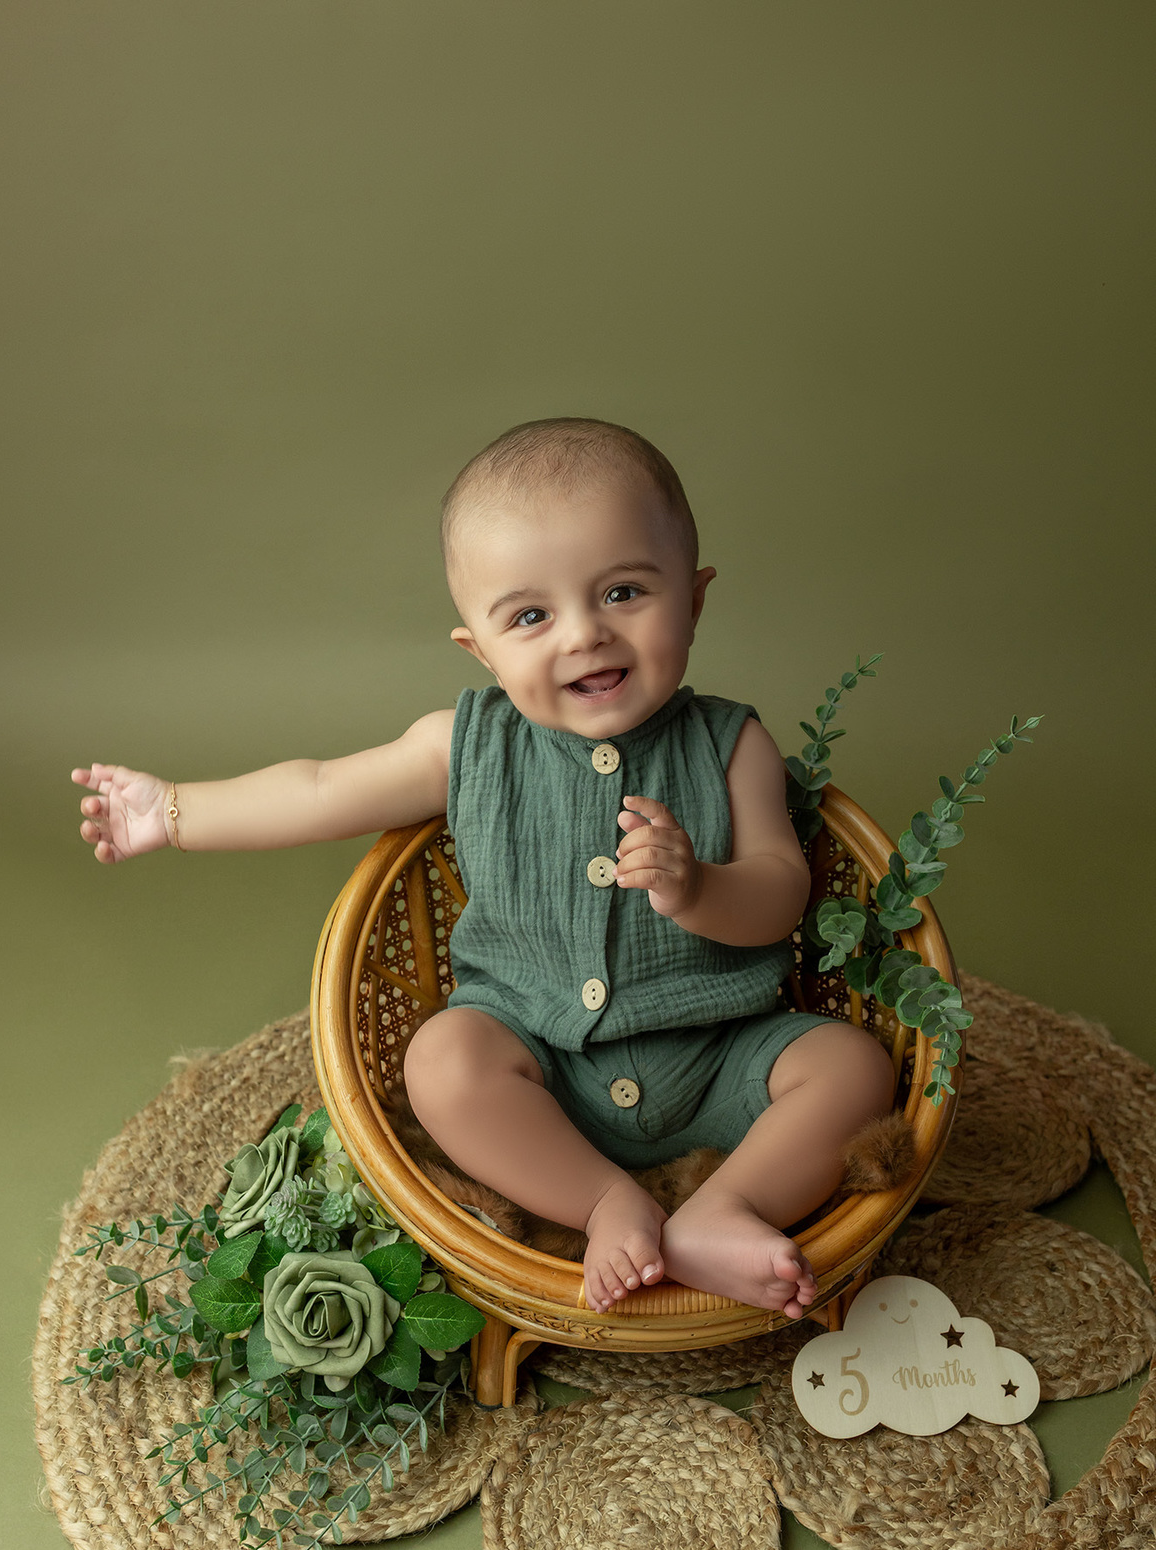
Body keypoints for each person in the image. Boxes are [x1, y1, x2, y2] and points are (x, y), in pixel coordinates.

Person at [73, 418, 895, 1319]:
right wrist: (175, 811)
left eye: (624, 592)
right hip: (542, 1074)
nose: (584, 635)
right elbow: (317, 788)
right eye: (531, 616)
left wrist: (698, 887)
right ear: (481, 649)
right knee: (443, 1060)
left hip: (720, 1058)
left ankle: (723, 1209)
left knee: (852, 1066)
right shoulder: (464, 744)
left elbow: (781, 893)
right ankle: (601, 1200)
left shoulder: (732, 744)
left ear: (693, 601)